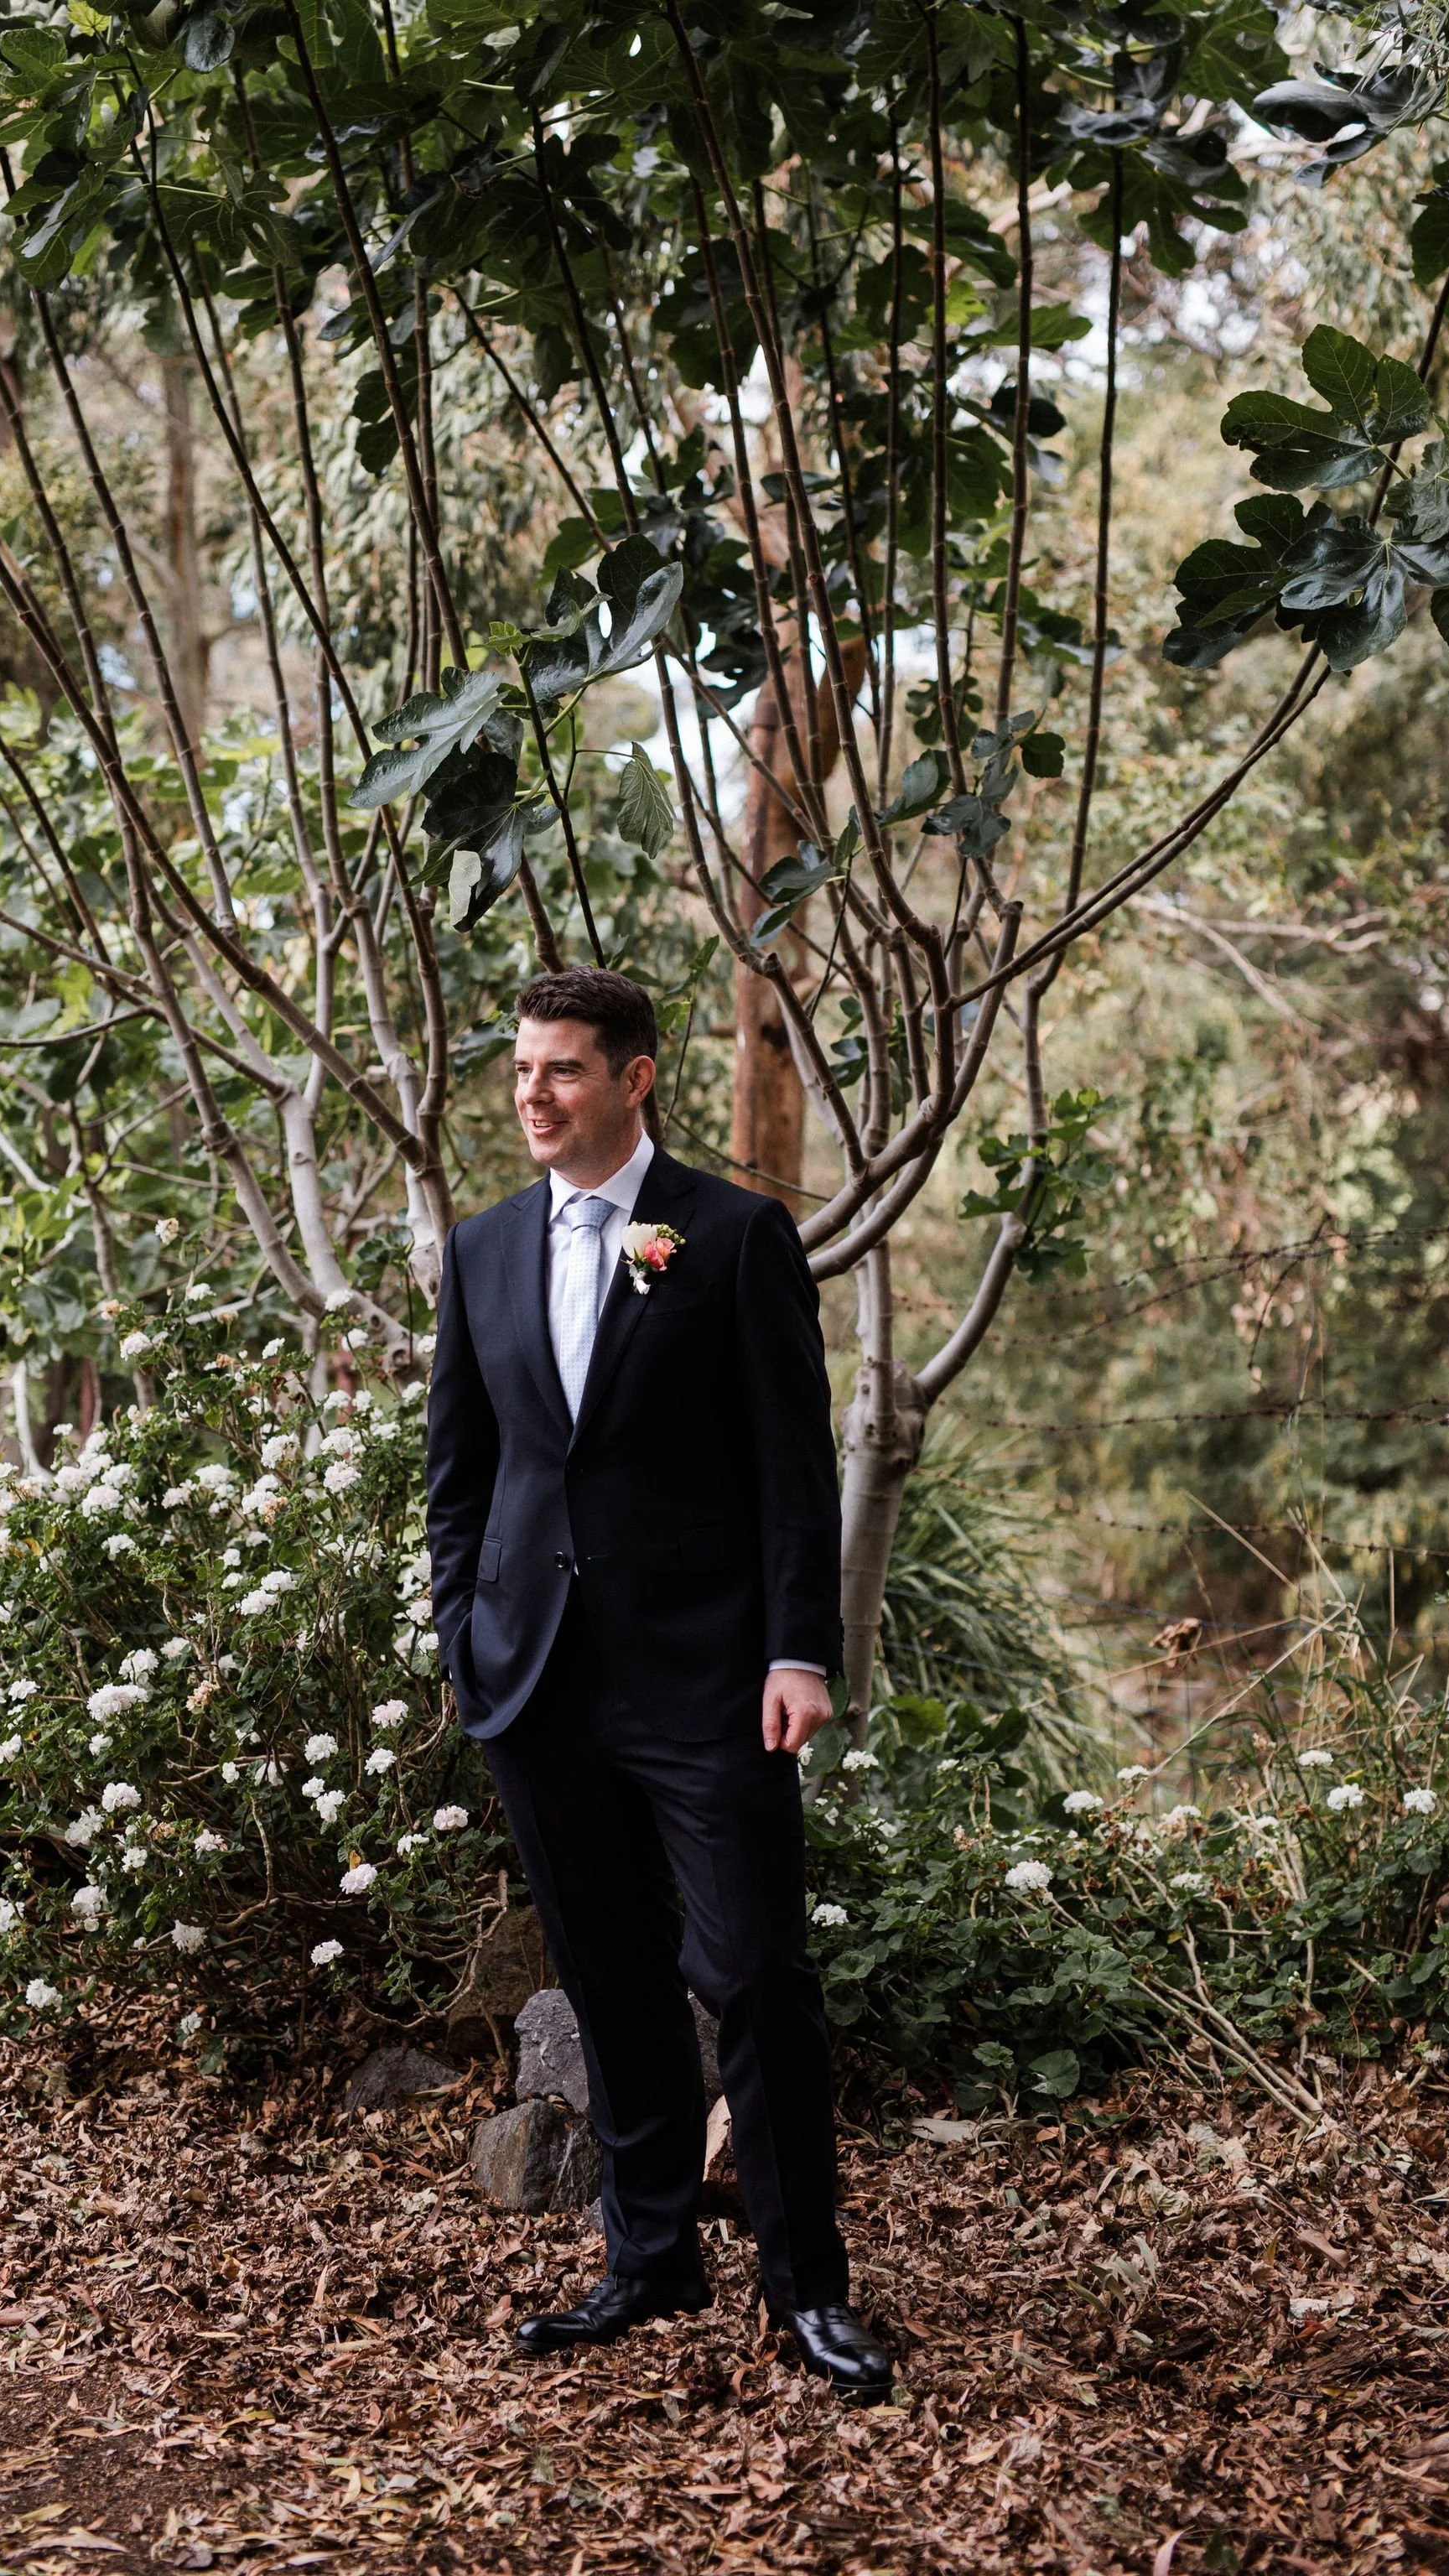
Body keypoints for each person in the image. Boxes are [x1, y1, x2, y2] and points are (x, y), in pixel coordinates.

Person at [425, 964, 893, 2400]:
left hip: (707, 1683)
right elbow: (463, 1472)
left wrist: (798, 1647)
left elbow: (788, 1466)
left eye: (564, 1070)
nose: (533, 1095)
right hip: (537, 1683)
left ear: (635, 1079)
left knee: (754, 1971)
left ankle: (807, 2287)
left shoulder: (736, 1237)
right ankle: (646, 2260)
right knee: (611, 1975)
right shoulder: (484, 1248)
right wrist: (463, 1632)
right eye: (521, 1072)